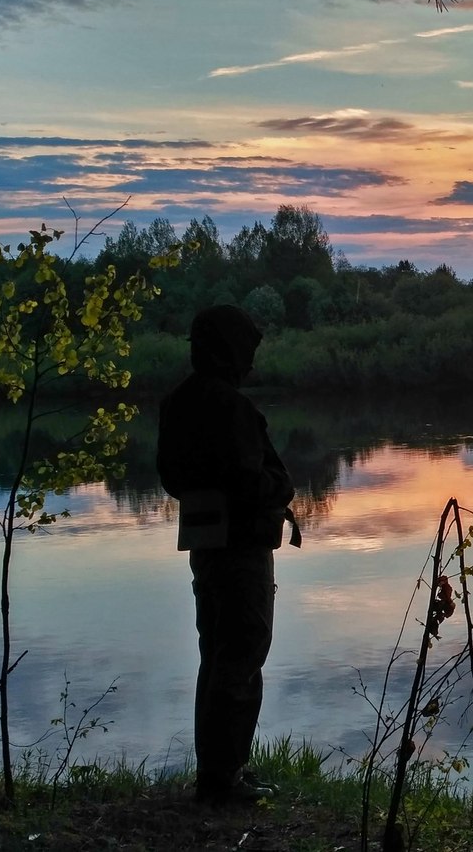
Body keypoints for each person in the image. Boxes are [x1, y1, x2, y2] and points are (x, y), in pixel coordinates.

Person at [157, 304, 296, 806]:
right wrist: (279, 487)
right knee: (241, 653)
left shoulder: (177, 403)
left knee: (214, 655)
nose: (251, 365)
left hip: (206, 549)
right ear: (228, 350)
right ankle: (224, 780)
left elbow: (171, 478)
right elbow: (249, 479)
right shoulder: (232, 409)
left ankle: (217, 773)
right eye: (246, 352)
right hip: (242, 552)